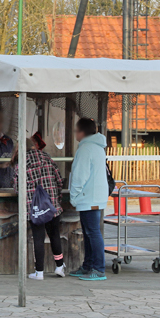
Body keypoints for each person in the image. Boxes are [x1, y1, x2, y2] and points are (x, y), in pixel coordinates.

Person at [12, 136, 66, 280]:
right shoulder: (47, 157)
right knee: (54, 235)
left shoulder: (21, 163)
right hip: (52, 204)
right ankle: (60, 266)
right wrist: (56, 198)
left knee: (38, 237)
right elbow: (59, 179)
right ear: (34, 146)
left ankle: (39, 272)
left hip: (35, 207)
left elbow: (18, 188)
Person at [68, 118, 109, 281]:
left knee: (92, 233)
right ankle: (88, 266)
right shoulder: (98, 147)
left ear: (82, 132)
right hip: (94, 196)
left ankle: (98, 268)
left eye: (76, 130)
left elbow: (80, 175)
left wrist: (74, 196)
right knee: (89, 232)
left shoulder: (86, 148)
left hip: (88, 197)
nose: (75, 134)